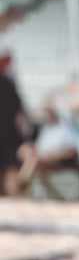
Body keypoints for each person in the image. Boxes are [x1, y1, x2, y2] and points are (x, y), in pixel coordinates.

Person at [0, 53, 26, 199]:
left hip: (8, 136)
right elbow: (19, 113)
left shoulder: (8, 83)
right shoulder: (9, 83)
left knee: (10, 172)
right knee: (10, 171)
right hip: (9, 136)